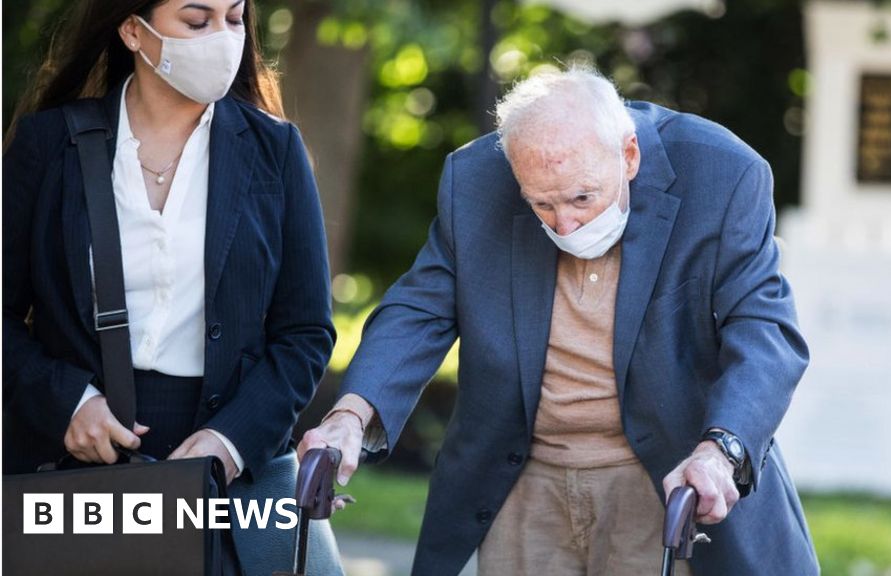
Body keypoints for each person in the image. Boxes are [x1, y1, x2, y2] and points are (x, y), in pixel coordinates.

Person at [299, 66, 818, 575]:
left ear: (629, 156)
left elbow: (763, 330)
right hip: (523, 475)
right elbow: (421, 308)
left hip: (663, 468)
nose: (564, 223)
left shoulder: (723, 174)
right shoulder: (477, 179)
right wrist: (350, 415)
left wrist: (720, 449)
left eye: (582, 198)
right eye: (541, 204)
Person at [3, 0, 340, 572]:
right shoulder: (48, 143)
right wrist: (66, 403)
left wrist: (229, 444)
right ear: (134, 31)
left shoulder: (275, 151)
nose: (223, 37)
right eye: (196, 20)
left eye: (235, 19)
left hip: (220, 464)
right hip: (72, 456)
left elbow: (305, 334)